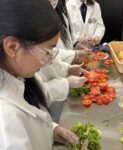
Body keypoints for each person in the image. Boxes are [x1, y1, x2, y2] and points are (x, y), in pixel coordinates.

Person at [0, 0, 81, 149]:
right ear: (12, 47)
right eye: (47, 51)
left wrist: (53, 129)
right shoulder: (6, 119)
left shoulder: (20, 75)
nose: (49, 62)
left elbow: (32, 112)